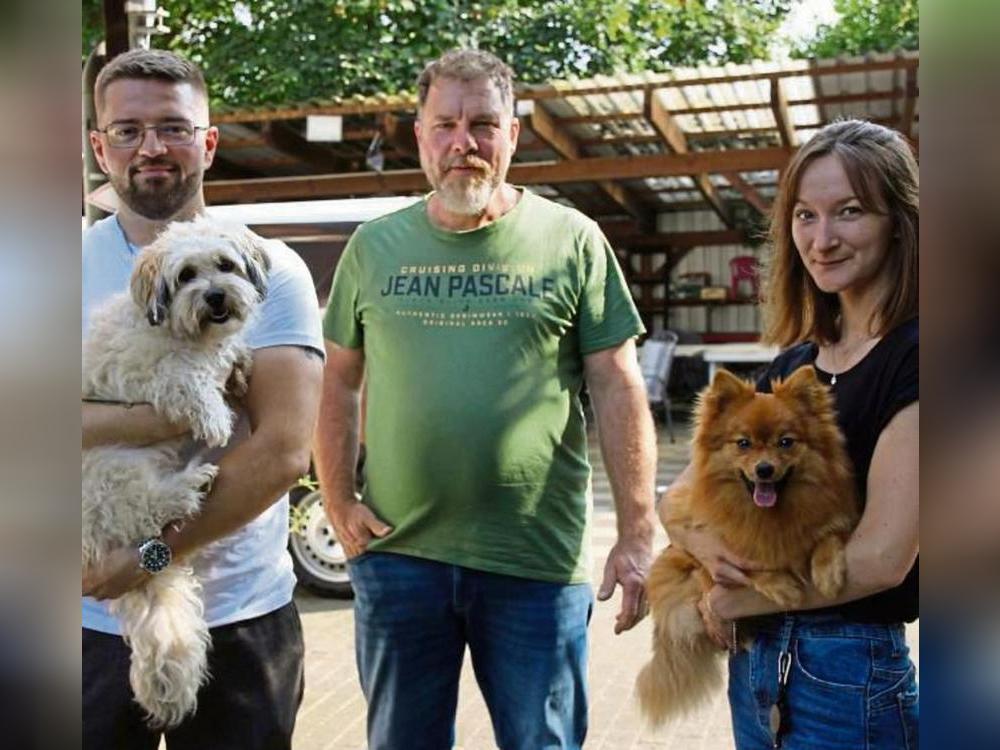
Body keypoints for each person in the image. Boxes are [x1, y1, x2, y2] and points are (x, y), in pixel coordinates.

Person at [313, 48, 657, 750]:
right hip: (400, 556)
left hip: (535, 563)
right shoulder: (375, 248)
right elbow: (338, 381)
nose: (462, 143)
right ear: (419, 135)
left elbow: (618, 383)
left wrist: (638, 529)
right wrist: (337, 499)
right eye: (444, 125)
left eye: (483, 125)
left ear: (513, 135)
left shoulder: (573, 241)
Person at [81, 49, 324, 749]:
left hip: (241, 619)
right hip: (82, 625)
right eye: (126, 130)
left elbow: (280, 453)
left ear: (207, 141)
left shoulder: (275, 272)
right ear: (100, 146)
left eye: (173, 127)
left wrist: (150, 558)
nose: (150, 147)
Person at [661, 118, 918, 749]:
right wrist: (704, 549)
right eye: (805, 215)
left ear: (900, 221)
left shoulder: (922, 354)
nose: (822, 239)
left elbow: (883, 560)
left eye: (849, 212)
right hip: (758, 665)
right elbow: (677, 499)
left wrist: (734, 600)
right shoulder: (793, 365)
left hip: (847, 671)